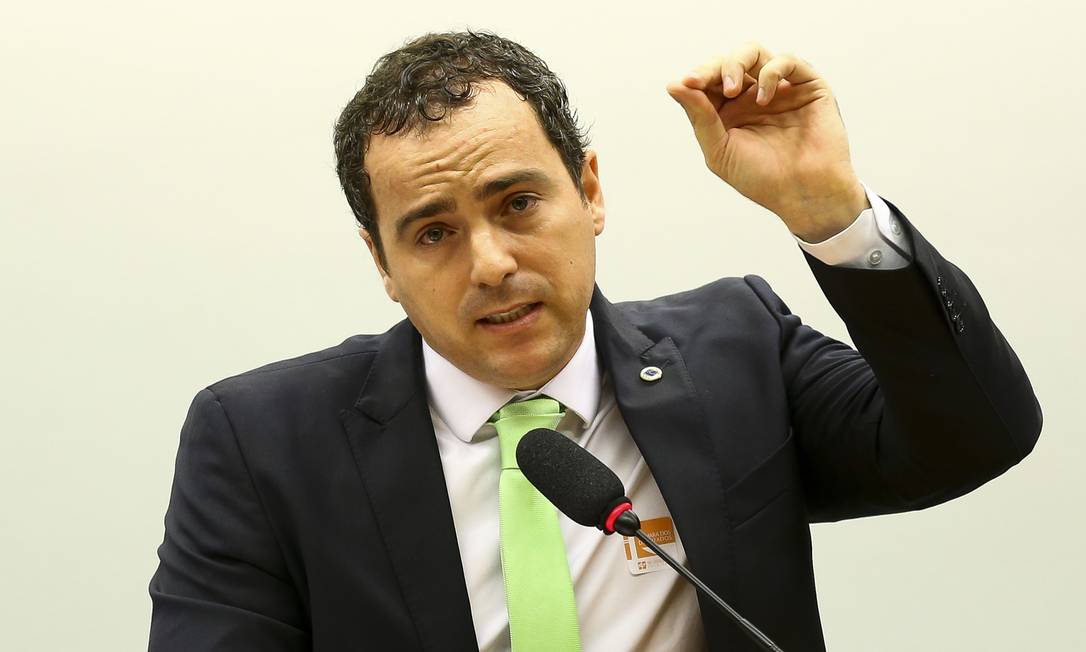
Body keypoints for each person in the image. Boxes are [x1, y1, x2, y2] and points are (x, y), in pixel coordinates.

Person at [147, 30, 1042, 652]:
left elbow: (976, 435)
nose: (491, 264)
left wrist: (832, 215)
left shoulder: (737, 352)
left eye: (518, 203)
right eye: (433, 232)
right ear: (381, 261)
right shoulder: (262, 443)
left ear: (590, 191)